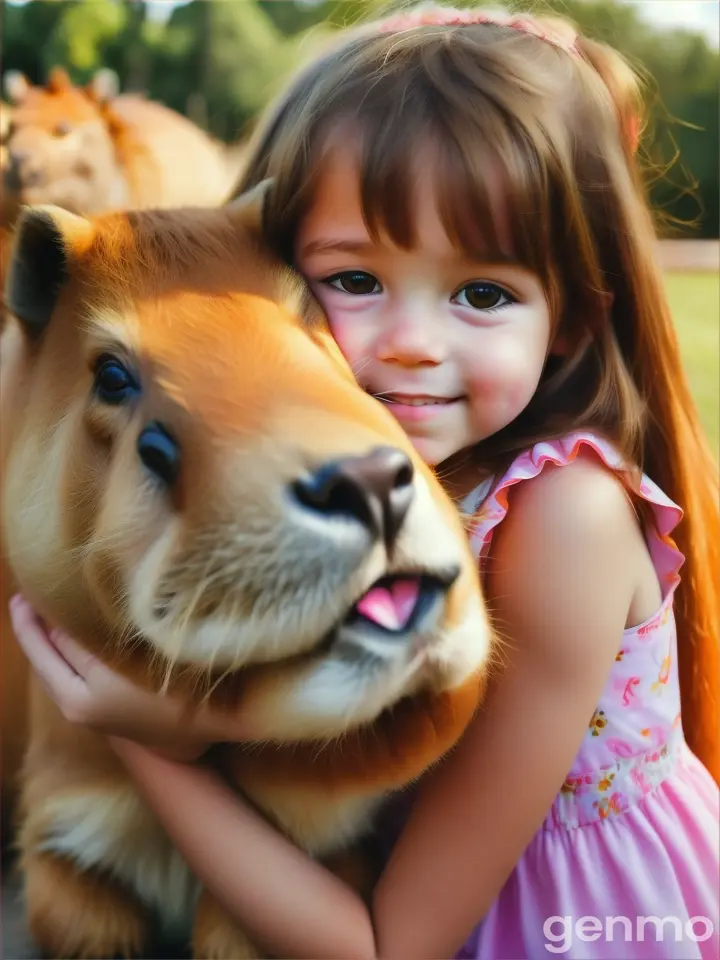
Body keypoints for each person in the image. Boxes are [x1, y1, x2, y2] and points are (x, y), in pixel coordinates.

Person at [9, 4, 719, 958]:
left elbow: (387, 946)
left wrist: (152, 743)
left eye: (483, 293)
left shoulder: (567, 520)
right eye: (349, 282)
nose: (412, 346)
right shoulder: (385, 474)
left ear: (576, 319)